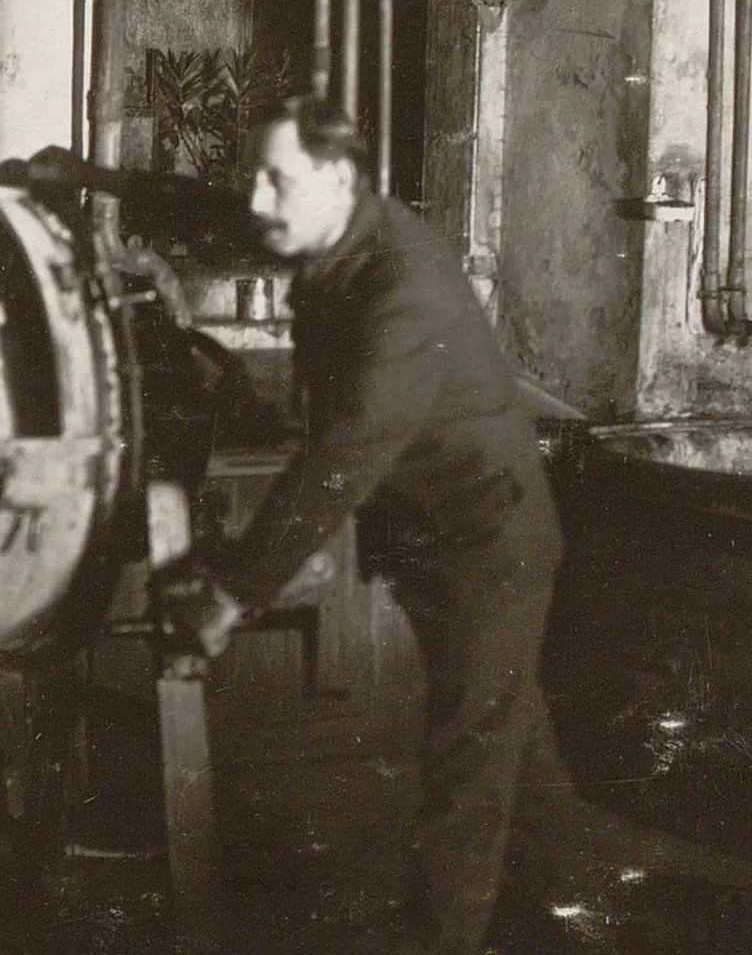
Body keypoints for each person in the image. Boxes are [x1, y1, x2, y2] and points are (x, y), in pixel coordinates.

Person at [144, 95, 586, 955]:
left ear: (339, 176)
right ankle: (577, 917)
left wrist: (234, 592)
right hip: (436, 533)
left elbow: (347, 450)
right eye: (255, 180)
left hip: (485, 542)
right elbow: (210, 205)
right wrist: (87, 178)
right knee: (508, 743)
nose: (259, 203)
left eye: (277, 181)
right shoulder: (336, 231)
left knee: (470, 760)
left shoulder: (403, 280)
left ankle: (441, 940)